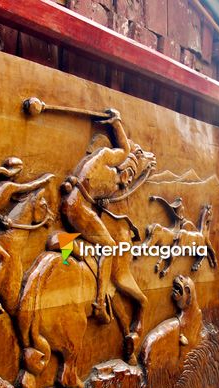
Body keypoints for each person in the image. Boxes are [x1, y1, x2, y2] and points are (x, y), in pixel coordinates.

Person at [60, 109, 155, 323]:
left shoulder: (106, 173)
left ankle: (68, 251)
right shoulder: (105, 156)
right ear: (123, 165)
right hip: (78, 207)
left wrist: (141, 175)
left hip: (74, 204)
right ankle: (99, 303)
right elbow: (124, 149)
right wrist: (117, 123)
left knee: (93, 241)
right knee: (110, 246)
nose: (125, 182)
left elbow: (110, 191)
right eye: (128, 174)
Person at [0, 157, 54, 312]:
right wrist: (44, 180)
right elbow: (30, 186)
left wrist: (0, 219)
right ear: (16, 173)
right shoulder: (9, 186)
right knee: (5, 258)